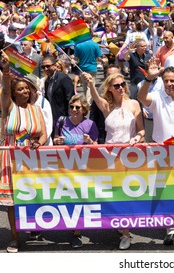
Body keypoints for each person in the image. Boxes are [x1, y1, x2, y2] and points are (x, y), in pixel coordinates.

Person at [83, 72, 145, 250]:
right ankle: (120, 224)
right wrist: (91, 84)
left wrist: (137, 138)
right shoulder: (106, 105)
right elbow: (94, 95)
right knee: (115, 193)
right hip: (110, 156)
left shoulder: (133, 104)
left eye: (123, 84)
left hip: (130, 155)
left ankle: (125, 234)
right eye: (116, 85)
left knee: (126, 193)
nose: (121, 88)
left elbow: (142, 131)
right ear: (110, 88)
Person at [137, 61, 174, 246]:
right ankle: (171, 227)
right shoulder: (156, 96)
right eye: (166, 81)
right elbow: (141, 97)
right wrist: (149, 78)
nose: (170, 84)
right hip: (160, 150)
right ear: (162, 81)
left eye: (173, 81)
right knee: (164, 189)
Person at [0, 50, 47, 253]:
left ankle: (33, 228)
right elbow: (5, 91)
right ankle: (14, 237)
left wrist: (40, 143)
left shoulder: (36, 110)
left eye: (27, 89)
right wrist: (7, 69)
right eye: (20, 89)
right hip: (10, 158)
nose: (25, 92)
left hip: (31, 158)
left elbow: (44, 133)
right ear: (14, 92)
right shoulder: (9, 108)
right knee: (12, 202)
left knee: (31, 196)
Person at [53, 94, 98, 248]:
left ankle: (77, 233)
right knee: (68, 198)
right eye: (71, 106)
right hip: (65, 167)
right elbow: (55, 140)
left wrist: (90, 142)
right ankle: (72, 226)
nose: (74, 110)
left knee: (79, 199)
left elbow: (97, 147)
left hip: (83, 168)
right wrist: (56, 141)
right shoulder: (61, 121)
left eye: (77, 107)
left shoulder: (90, 124)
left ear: (84, 109)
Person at [42, 55, 75, 138]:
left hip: (63, 118)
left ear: (55, 65)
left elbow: (70, 99)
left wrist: (70, 119)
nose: (46, 69)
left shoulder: (63, 78)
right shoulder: (47, 81)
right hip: (52, 117)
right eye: (43, 67)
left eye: (48, 66)